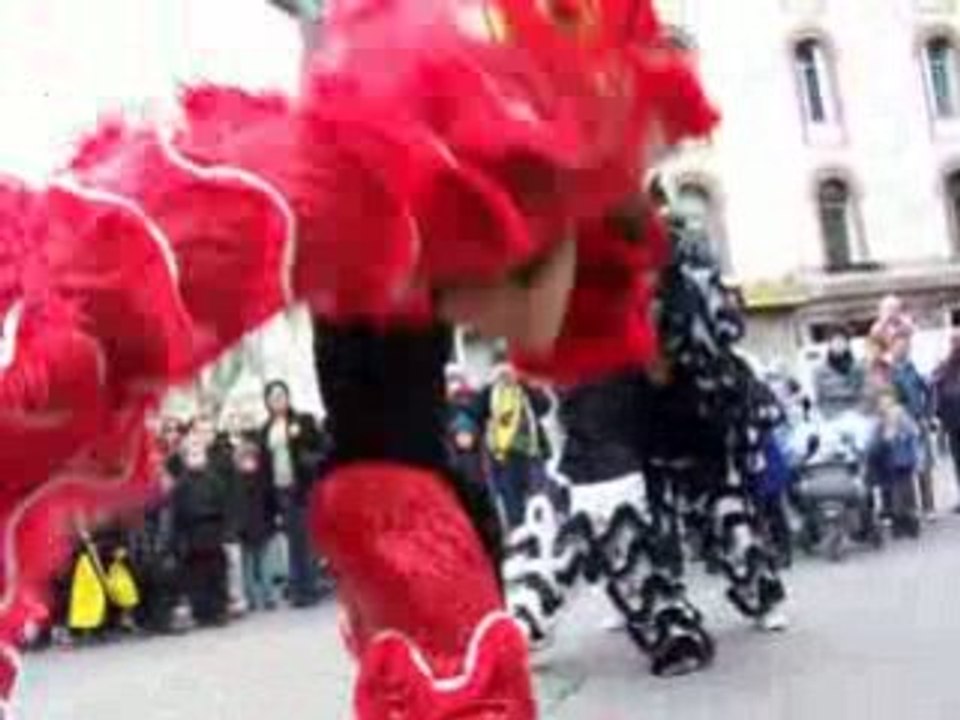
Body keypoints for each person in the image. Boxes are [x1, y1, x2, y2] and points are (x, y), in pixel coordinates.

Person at [0, 0, 719, 713]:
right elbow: (532, 318)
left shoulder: (394, 199)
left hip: (396, 505)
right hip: (401, 509)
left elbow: (533, 317)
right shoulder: (382, 194)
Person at [260, 381, 328, 608]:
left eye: (281, 395)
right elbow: (265, 464)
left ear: (288, 397)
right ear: (267, 402)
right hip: (281, 489)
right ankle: (298, 589)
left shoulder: (303, 420)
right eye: (272, 396)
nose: (277, 400)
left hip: (303, 486)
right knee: (292, 540)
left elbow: (322, 448)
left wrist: (307, 458)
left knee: (306, 539)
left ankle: (310, 589)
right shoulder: (265, 430)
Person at [477, 366, 552, 530]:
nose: (507, 378)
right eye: (502, 376)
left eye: (509, 375)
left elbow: (545, 407)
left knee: (538, 498)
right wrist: (487, 387)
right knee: (513, 504)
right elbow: (477, 413)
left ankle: (542, 531)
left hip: (530, 452)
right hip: (505, 457)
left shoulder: (524, 390)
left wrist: (528, 386)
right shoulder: (490, 394)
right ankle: (521, 535)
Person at [234, 433, 283, 611]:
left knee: (265, 563)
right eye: (244, 459)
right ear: (238, 462)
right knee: (247, 565)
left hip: (263, 526)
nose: (249, 463)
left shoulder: (263, 481)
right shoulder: (236, 482)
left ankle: (268, 595)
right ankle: (251, 597)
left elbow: (271, 502)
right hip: (244, 529)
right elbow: (234, 507)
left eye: (252, 459)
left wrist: (275, 518)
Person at [866, 392, 921, 539]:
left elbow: (913, 433)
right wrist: (884, 438)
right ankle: (899, 524)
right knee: (894, 494)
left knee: (907, 492)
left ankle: (910, 523)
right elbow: (873, 443)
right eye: (882, 404)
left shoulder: (902, 416)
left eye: (888, 404)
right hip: (888, 464)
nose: (885, 407)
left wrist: (900, 435)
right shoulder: (878, 422)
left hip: (903, 461)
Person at [933, 332, 960, 513]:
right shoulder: (945, 366)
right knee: (958, 460)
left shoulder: (946, 366)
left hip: (952, 419)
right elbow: (937, 387)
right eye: (954, 342)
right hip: (953, 420)